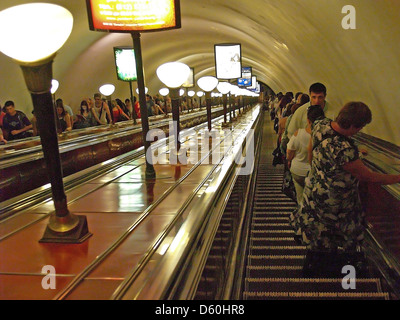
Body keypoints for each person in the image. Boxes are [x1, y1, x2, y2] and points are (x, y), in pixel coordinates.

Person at [289, 101, 400, 253]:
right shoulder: (344, 150)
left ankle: (316, 261)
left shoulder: (321, 124)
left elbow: (311, 149)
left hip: (314, 192)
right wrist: (398, 178)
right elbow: (368, 177)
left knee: (319, 235)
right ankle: (333, 264)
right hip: (335, 205)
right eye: (360, 127)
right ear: (353, 125)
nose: (359, 130)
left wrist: (317, 171)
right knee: (336, 237)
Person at [286, 105, 325, 205]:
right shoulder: (326, 137)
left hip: (297, 171)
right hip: (316, 174)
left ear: (308, 120)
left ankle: (301, 207)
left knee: (300, 197)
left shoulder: (298, 133)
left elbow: (289, 153)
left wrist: (289, 160)